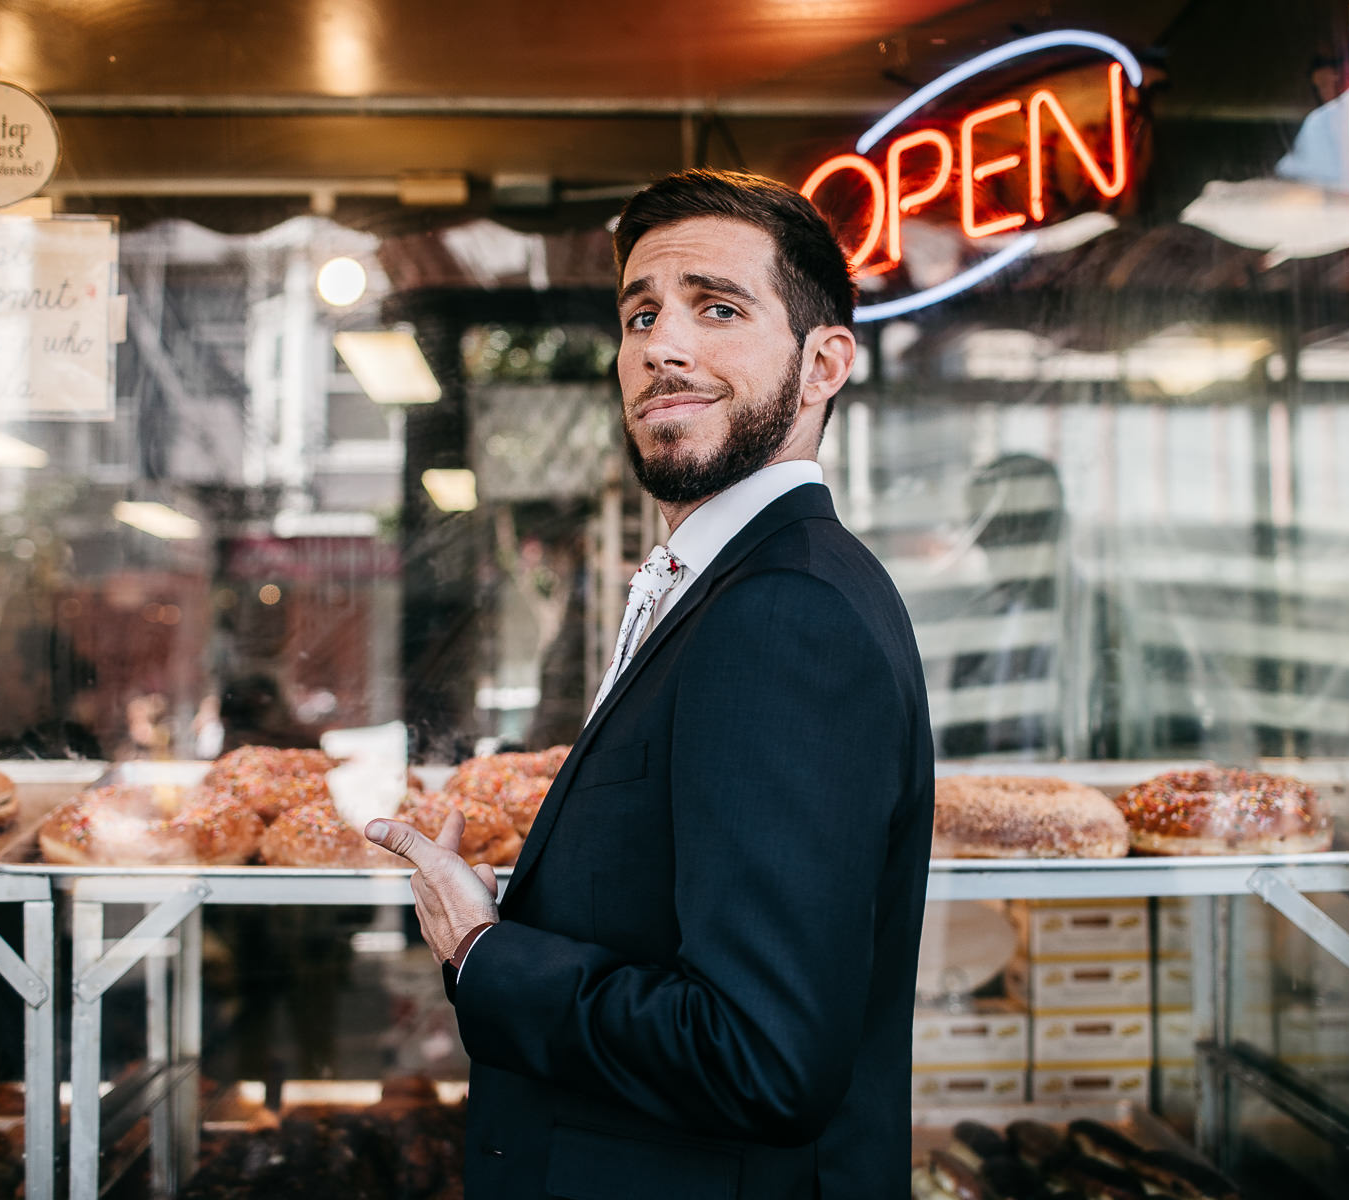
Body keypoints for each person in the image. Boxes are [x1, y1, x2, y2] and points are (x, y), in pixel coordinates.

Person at [367, 169, 934, 1198]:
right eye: (640, 313)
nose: (660, 346)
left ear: (825, 364)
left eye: (717, 308)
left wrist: (487, 952)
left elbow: (758, 1058)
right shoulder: (735, 583)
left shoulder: (784, 612)